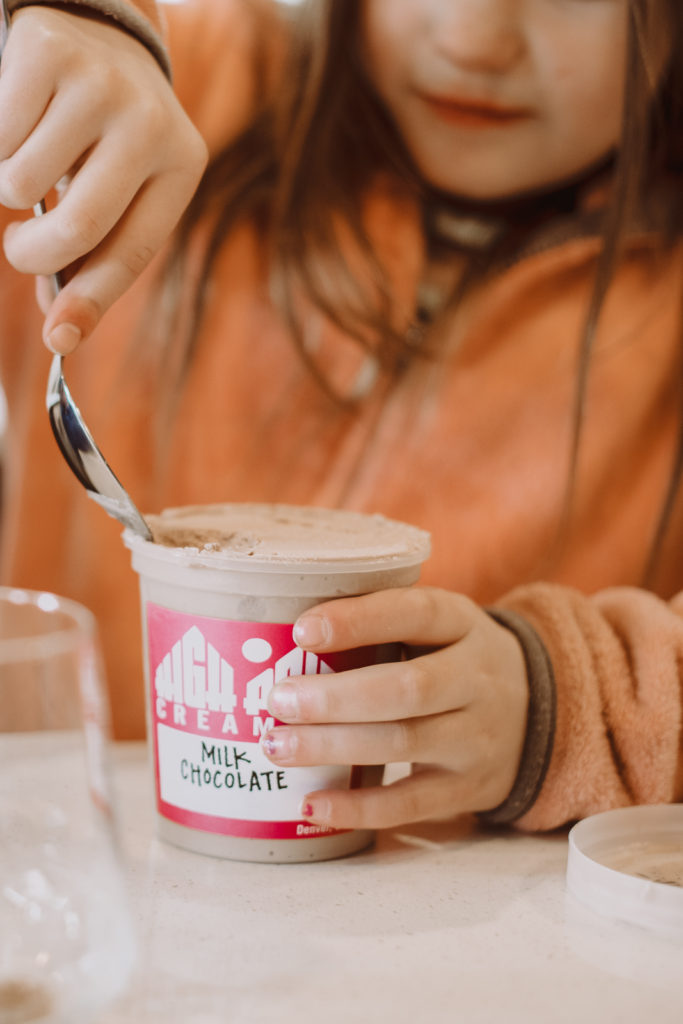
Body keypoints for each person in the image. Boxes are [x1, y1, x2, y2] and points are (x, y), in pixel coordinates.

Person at [0, 0, 681, 835]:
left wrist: (573, 700)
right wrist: (54, 24)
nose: (471, 38)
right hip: (63, 866)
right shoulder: (180, 90)